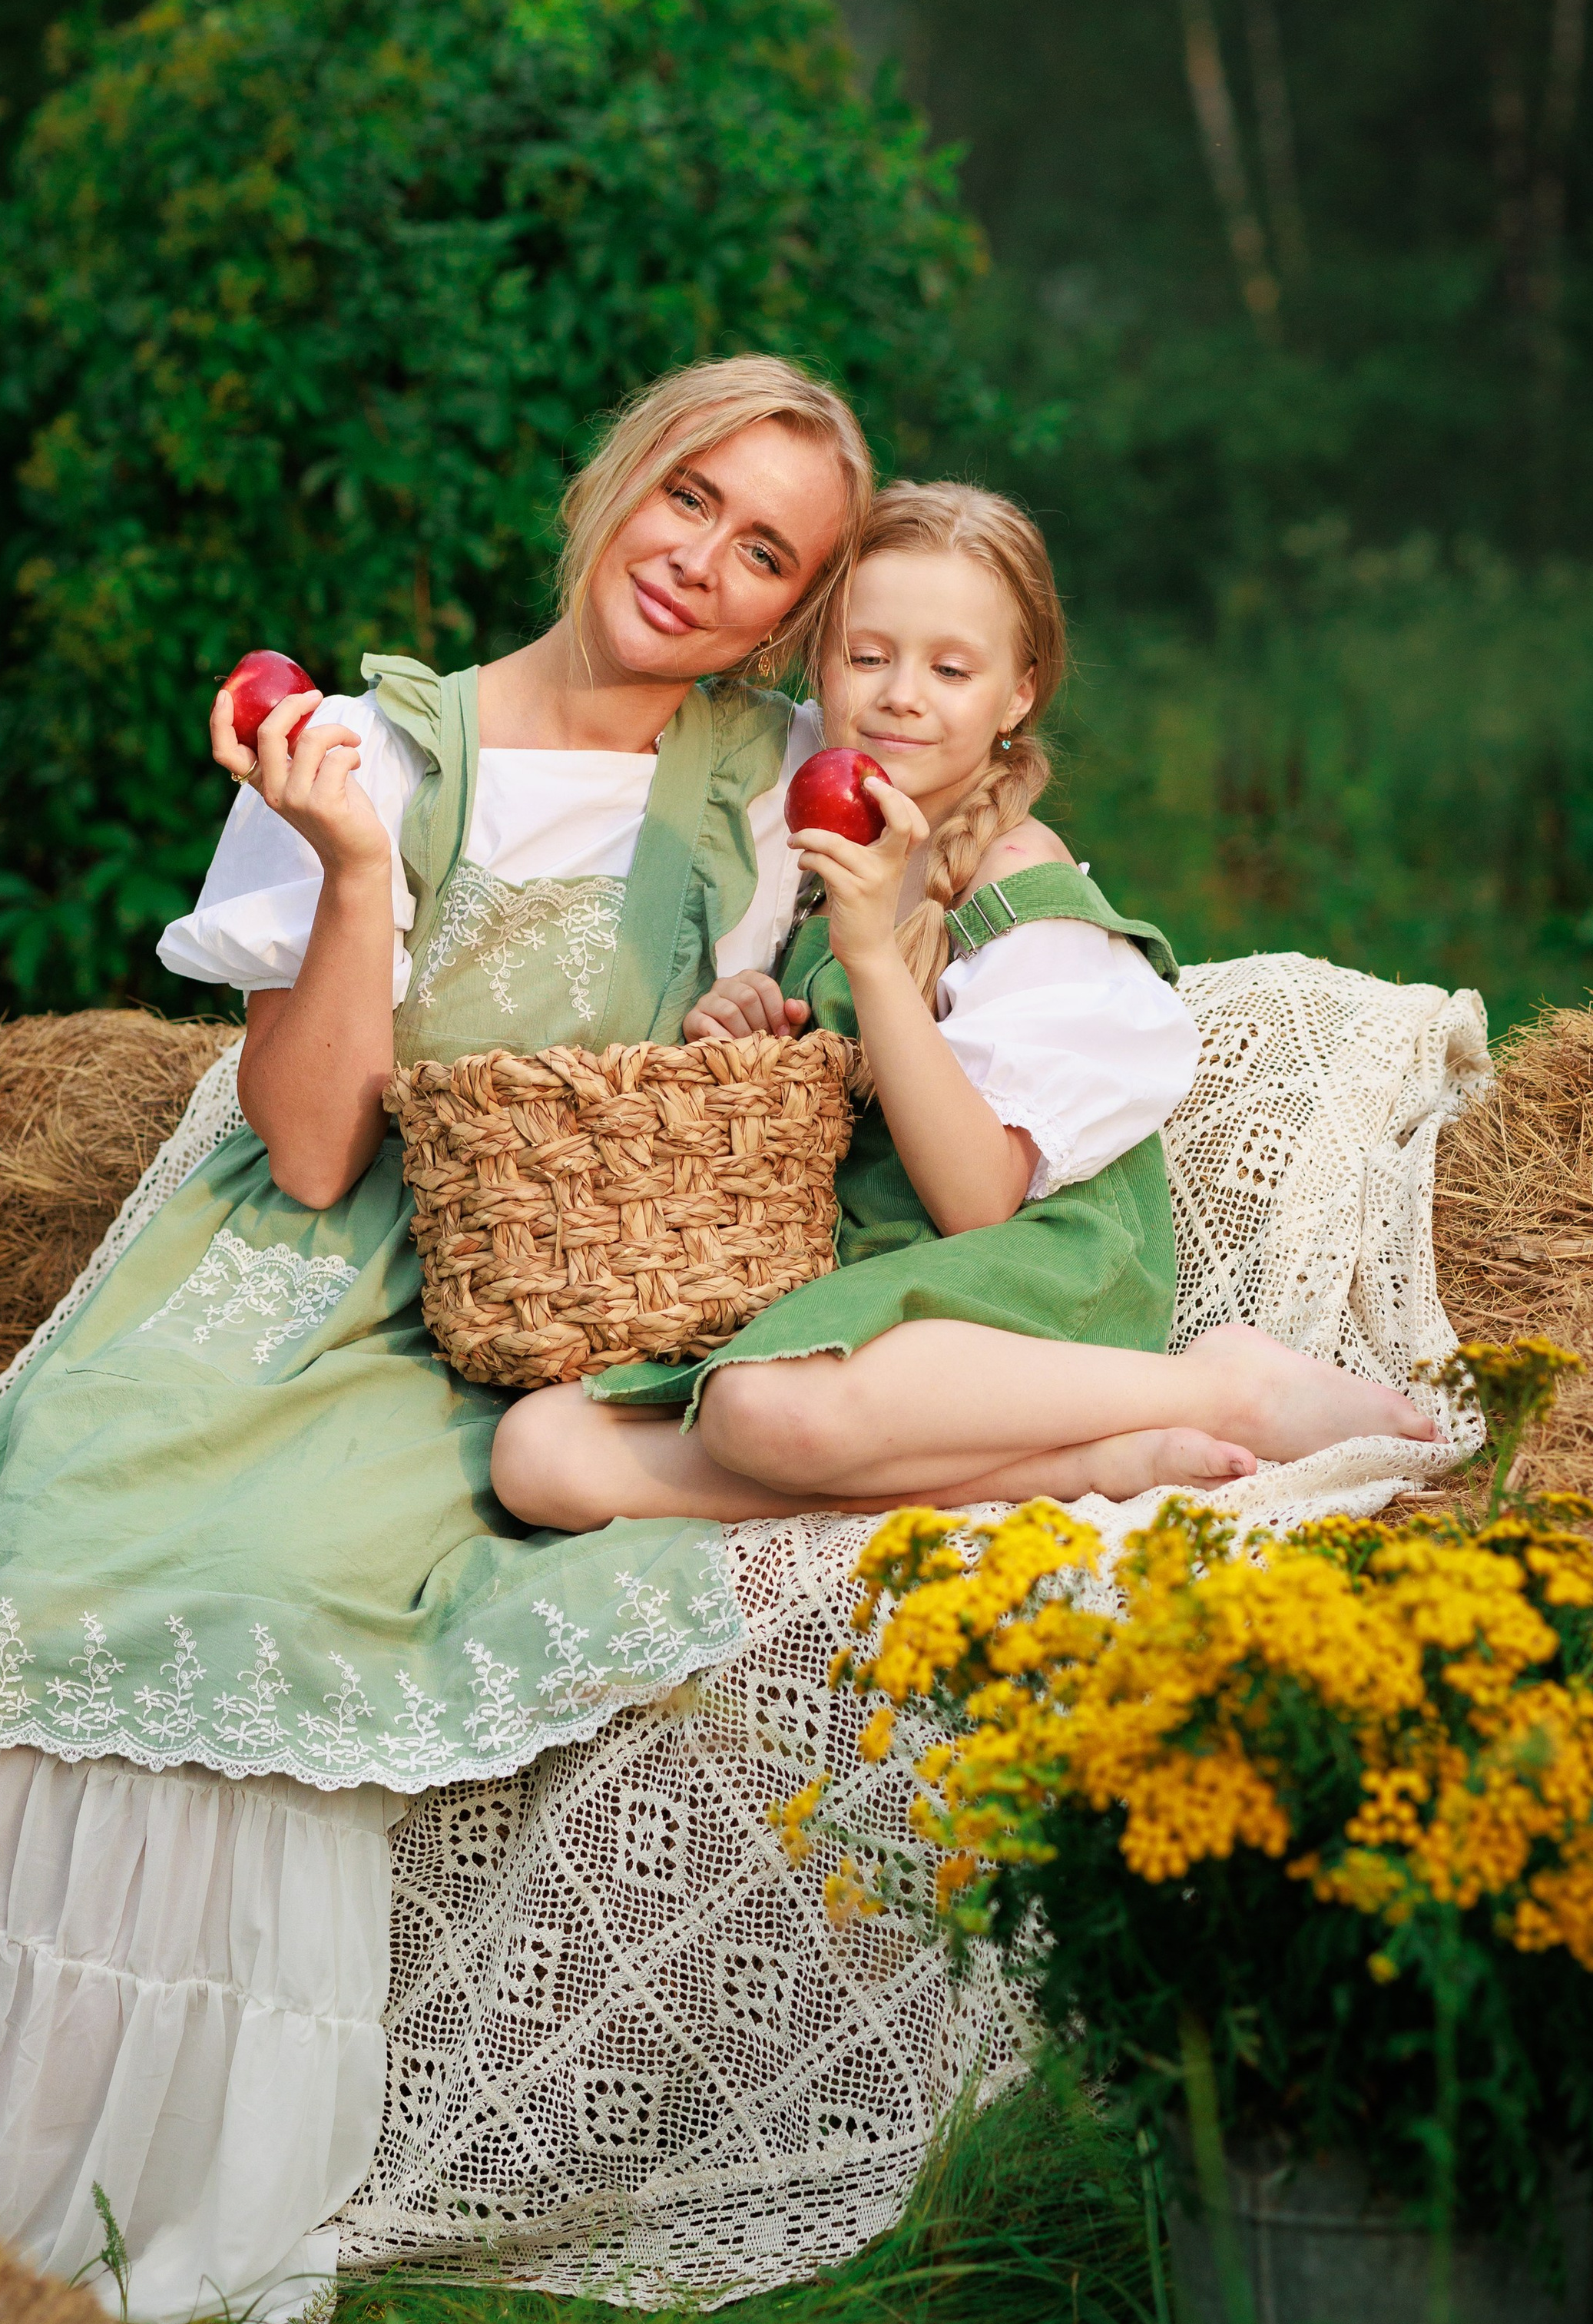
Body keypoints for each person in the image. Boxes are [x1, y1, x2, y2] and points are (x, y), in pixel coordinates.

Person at [0, 354, 870, 2322]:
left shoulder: (776, 778)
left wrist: (764, 1007)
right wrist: (359, 865)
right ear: (616, 485)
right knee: (61, 1587)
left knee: (268, 1589)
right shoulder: (371, 751)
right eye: (689, 498)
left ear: (794, 612)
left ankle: (119, 2203)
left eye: (766, 552)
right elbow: (303, 1147)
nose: (703, 561)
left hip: (539, 1294)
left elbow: (943, 861)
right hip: (299, 1269)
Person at [492, 480, 1435, 1534]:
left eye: (950, 670)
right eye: (867, 656)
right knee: (537, 1453)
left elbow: (981, 1200)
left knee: (761, 1410)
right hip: (870, 1287)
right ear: (820, 665)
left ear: (1017, 696)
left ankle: (1218, 1389)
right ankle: (1088, 1463)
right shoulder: (824, 858)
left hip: (1022, 1292)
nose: (902, 696)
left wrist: (870, 957)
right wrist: (749, 1035)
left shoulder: (1012, 878)